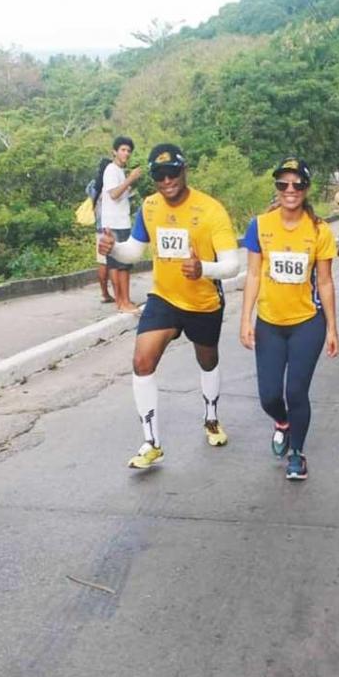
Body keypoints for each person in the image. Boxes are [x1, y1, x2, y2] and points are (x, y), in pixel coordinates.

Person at [99, 144, 241, 468]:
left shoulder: (210, 209)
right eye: (159, 176)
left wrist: (203, 268)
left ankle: (211, 417)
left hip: (203, 301)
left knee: (207, 360)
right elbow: (133, 252)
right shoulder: (148, 207)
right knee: (141, 360)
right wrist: (113, 249)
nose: (166, 181)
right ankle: (151, 442)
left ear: (184, 170)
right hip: (164, 298)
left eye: (172, 173)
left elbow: (232, 264)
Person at [240, 157, 339, 481]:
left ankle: (297, 452)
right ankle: (282, 422)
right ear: (277, 188)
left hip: (307, 323)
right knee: (270, 395)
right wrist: (245, 320)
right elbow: (253, 273)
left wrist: (333, 329)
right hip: (269, 322)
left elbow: (324, 281)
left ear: (306, 188)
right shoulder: (260, 226)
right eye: (283, 184)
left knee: (296, 391)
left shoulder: (320, 230)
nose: (290, 189)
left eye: (297, 184)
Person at [101, 136, 143, 313]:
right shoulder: (111, 170)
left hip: (119, 221)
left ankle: (122, 301)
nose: (126, 153)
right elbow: (113, 194)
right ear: (115, 152)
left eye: (128, 151)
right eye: (123, 150)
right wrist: (130, 179)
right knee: (122, 265)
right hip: (115, 223)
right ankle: (123, 302)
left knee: (117, 265)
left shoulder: (119, 171)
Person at [89, 177, 114, 303]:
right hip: (110, 227)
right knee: (114, 263)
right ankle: (119, 295)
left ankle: (104, 293)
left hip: (99, 227)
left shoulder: (93, 186)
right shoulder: (110, 185)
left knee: (102, 262)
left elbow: (88, 191)